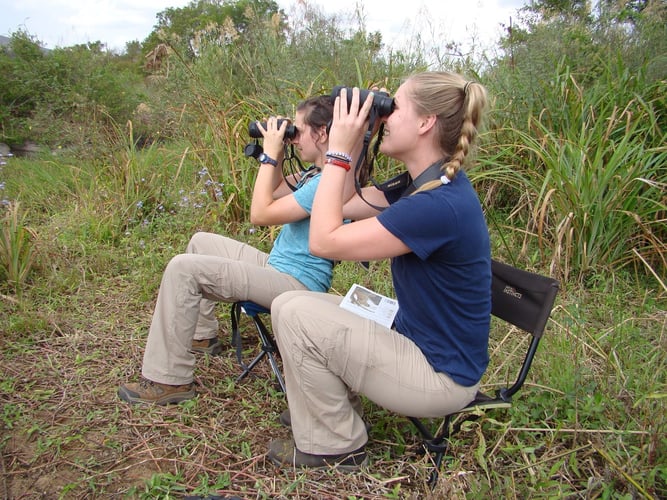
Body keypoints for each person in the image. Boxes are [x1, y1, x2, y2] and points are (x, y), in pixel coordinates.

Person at [266, 71, 492, 470]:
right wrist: (354, 141)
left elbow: (324, 241)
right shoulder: (421, 184)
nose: (384, 116)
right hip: (419, 342)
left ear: (426, 123)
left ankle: (334, 444)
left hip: (440, 376)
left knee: (295, 312)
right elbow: (348, 200)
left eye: (394, 107)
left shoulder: (437, 203)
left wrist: (335, 152)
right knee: (297, 300)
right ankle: (325, 405)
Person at [118, 95, 359, 404]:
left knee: (183, 267)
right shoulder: (315, 174)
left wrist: (270, 154)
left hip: (296, 284)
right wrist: (278, 154)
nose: (294, 138)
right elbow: (272, 191)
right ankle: (202, 336)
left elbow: (259, 214)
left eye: (297, 130)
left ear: (322, 133)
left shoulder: (326, 183)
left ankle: (169, 381)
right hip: (277, 267)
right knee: (201, 241)